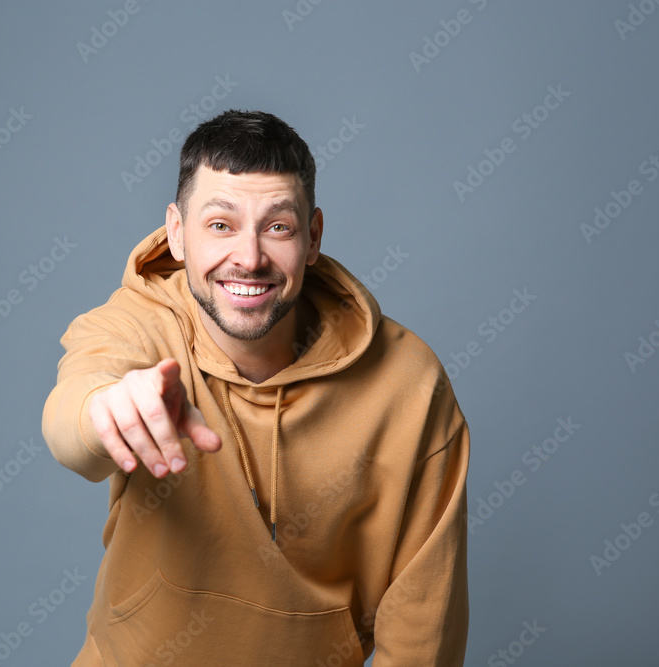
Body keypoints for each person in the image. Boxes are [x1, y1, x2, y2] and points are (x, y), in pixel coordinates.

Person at [41, 109, 470, 666]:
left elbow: (422, 631)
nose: (249, 257)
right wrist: (108, 410)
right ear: (176, 233)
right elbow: (72, 415)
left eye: (278, 227)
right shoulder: (137, 325)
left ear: (312, 237)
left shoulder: (409, 384)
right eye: (220, 224)